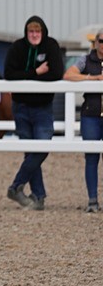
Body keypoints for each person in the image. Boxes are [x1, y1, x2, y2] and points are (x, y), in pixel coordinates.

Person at [3, 15, 64, 210]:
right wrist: (36, 72)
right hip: (21, 107)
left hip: (42, 108)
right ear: (26, 32)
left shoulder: (51, 46)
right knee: (30, 152)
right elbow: (9, 74)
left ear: (43, 32)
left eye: (37, 31)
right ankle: (38, 197)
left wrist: (25, 78)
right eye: (31, 31)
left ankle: (16, 186)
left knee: (41, 148)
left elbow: (56, 73)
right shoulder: (17, 47)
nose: (34, 34)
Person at [65, 29, 103, 213]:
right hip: (91, 115)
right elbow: (68, 75)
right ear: (95, 42)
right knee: (91, 158)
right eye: (101, 41)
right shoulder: (85, 60)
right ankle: (92, 200)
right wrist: (93, 78)